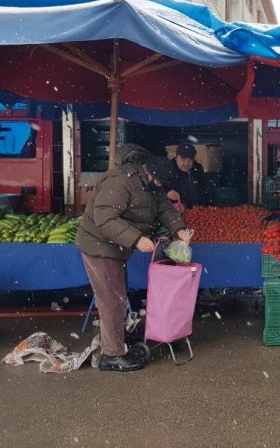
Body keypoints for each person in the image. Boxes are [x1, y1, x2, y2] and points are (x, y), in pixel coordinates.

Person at [76, 144, 193, 372]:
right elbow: (105, 219)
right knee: (112, 300)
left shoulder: (151, 186)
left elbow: (164, 209)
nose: (160, 187)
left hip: (116, 247)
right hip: (99, 245)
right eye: (158, 182)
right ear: (147, 172)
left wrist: (179, 228)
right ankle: (112, 356)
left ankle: (117, 341)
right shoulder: (120, 181)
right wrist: (137, 239)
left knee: (118, 295)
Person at [167, 141, 211, 211]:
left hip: (196, 212)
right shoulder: (169, 169)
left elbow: (204, 189)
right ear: (176, 157)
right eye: (183, 159)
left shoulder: (198, 168)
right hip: (176, 213)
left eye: (190, 160)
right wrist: (168, 193)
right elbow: (162, 192)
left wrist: (204, 208)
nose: (186, 164)